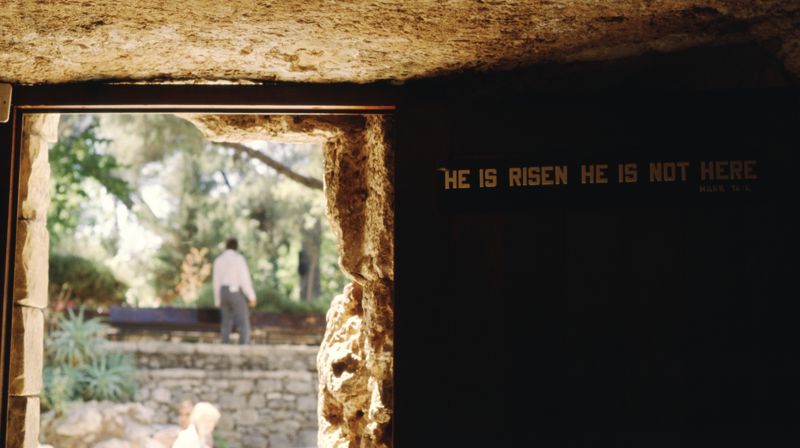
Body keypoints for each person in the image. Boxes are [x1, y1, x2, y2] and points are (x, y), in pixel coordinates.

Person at [212, 237, 257, 344]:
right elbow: (244, 279)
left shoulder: (219, 260)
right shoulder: (239, 259)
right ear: (236, 247)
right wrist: (252, 296)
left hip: (223, 292)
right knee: (243, 322)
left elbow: (216, 281)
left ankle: (225, 344)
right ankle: (244, 346)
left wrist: (217, 300)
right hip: (235, 291)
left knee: (226, 322)